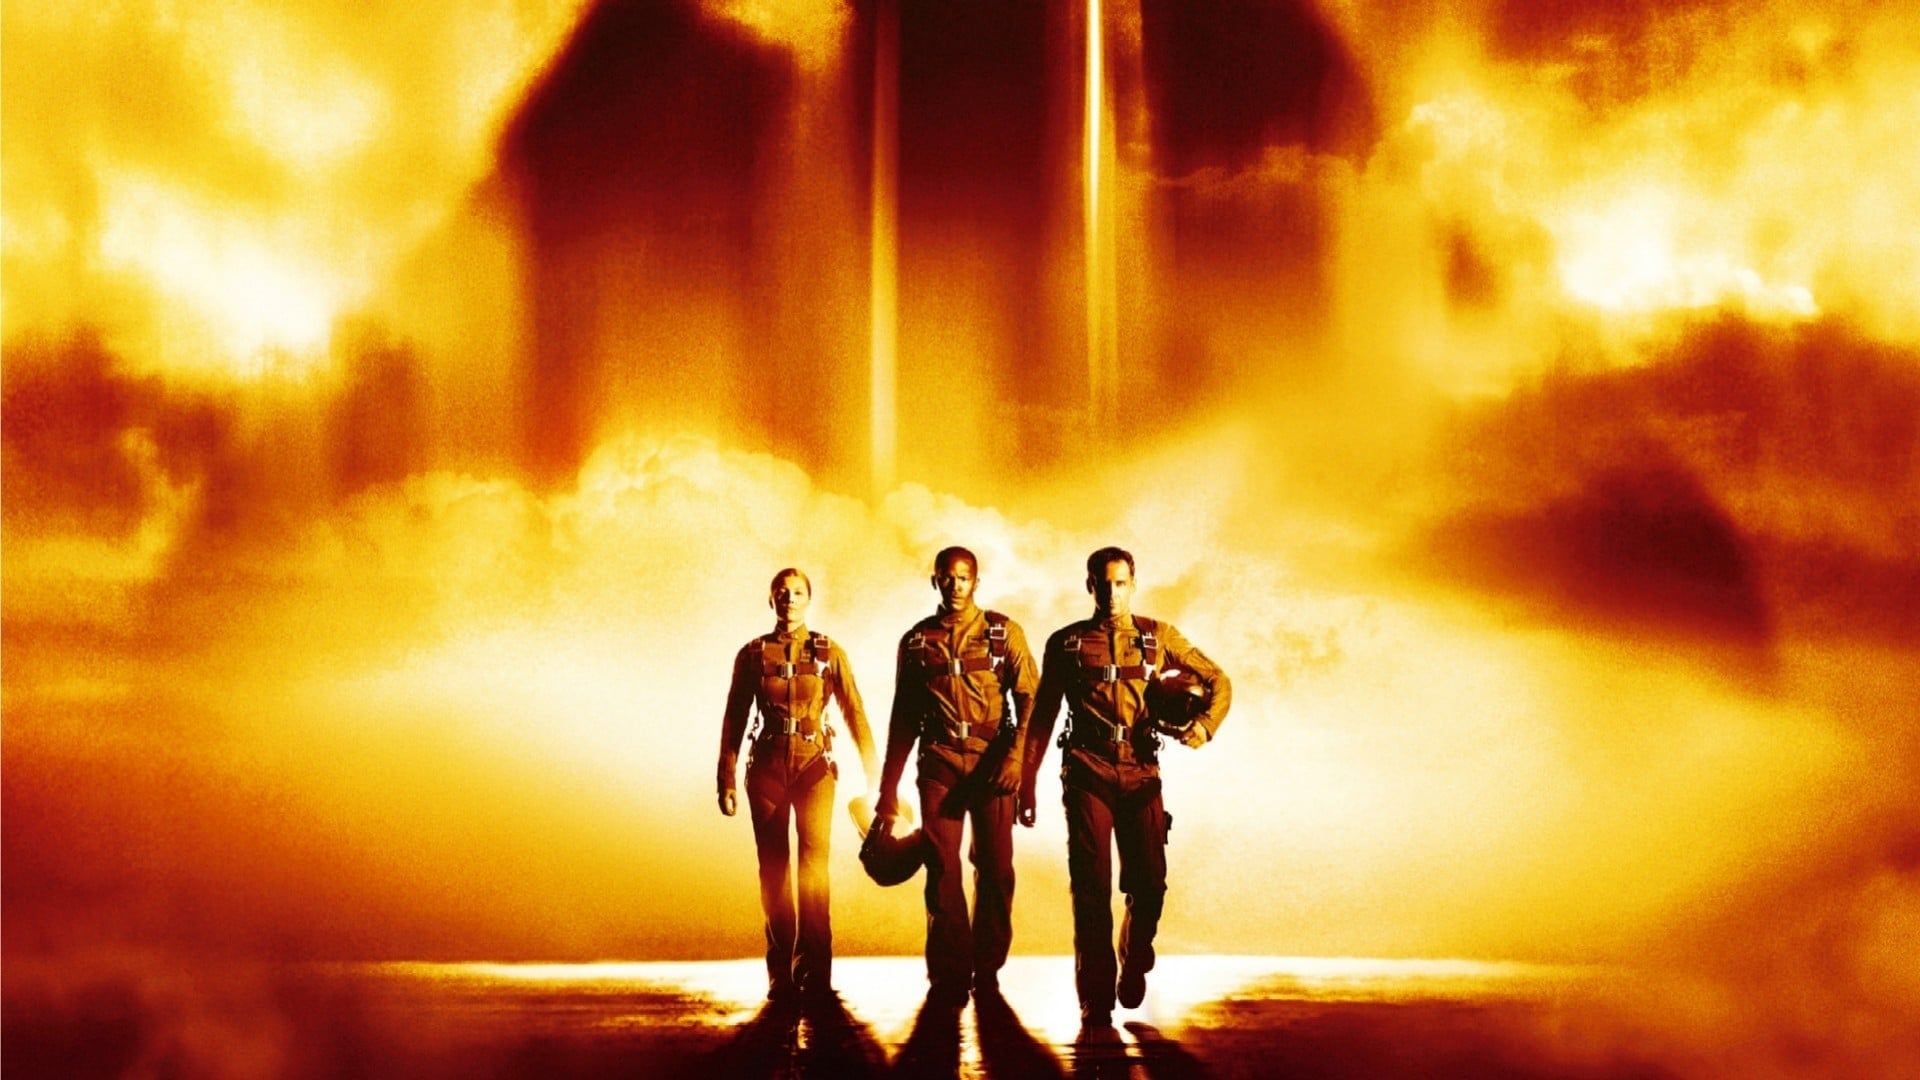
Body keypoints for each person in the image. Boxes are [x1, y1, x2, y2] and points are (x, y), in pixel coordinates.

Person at [1022, 546, 1231, 1028]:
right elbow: (1042, 717)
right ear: (1090, 586)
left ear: (1133, 585)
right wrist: (1026, 782)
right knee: (1090, 889)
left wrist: (1204, 727)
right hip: (1087, 770)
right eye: (1103, 583)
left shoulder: (1160, 637)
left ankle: (1134, 957)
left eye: (1121, 583)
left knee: (1150, 884)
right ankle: (1095, 998)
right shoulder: (1066, 643)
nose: (1112, 593)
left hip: (1141, 773)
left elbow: (1219, 680)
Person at [875, 546, 1040, 1006]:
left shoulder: (1003, 633)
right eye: (946, 577)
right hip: (940, 761)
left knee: (996, 868)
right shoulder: (916, 642)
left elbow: (1031, 698)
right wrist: (888, 786)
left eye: (963, 578)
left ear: (976, 582)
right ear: (935, 581)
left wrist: (1017, 761)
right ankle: (950, 972)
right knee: (942, 866)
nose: (955, 585)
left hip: (992, 762)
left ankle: (986, 966)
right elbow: (903, 716)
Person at [718, 568, 880, 1002]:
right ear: (771, 600)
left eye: (797, 592)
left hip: (814, 771)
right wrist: (725, 778)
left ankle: (815, 970)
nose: (789, 599)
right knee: (773, 871)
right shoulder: (752, 654)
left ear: (809, 599)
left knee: (813, 869)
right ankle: (780, 973)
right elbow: (735, 717)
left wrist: (874, 771)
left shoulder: (828, 652)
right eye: (782, 592)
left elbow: (855, 711)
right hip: (767, 771)